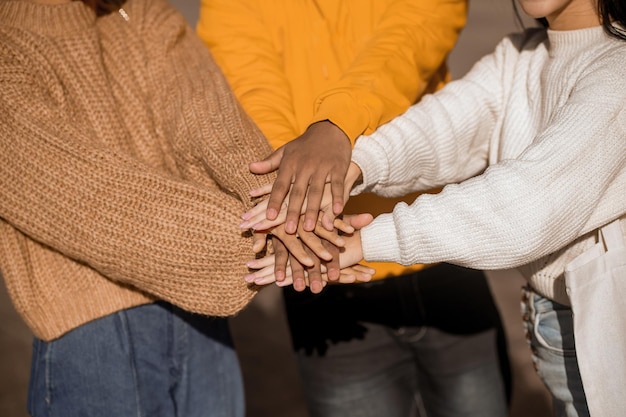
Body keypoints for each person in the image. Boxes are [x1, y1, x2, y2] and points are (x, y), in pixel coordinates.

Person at [247, 0, 626, 415]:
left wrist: (358, 241)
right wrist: (343, 171)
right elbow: (443, 128)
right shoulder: (520, 56)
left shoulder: (618, 67)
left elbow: (527, 206)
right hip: (557, 321)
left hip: (609, 326)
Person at [0, 0, 364, 415]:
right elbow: (84, 196)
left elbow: (204, 116)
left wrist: (279, 204)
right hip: (93, 342)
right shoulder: (7, 46)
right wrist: (259, 234)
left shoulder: (141, 11)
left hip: (201, 319)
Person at [197, 2, 511, 416]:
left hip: (435, 243)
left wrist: (335, 126)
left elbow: (413, 34)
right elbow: (248, 84)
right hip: (323, 269)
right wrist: (290, 192)